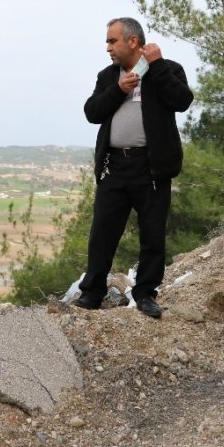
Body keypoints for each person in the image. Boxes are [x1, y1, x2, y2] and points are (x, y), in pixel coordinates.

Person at [73, 17, 193, 319]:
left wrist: (159, 66)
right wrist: (118, 89)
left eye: (112, 41)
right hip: (115, 166)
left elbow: (182, 101)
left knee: (152, 234)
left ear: (133, 41)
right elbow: (92, 112)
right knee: (102, 233)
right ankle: (92, 292)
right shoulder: (108, 75)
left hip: (151, 167)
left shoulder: (167, 68)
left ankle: (146, 293)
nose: (108, 48)